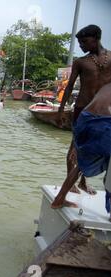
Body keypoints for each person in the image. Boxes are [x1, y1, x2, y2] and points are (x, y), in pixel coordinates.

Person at [55, 25, 111, 199]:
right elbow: (70, 86)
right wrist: (60, 110)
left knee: (96, 148)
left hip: (104, 111)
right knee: (75, 147)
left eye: (84, 42)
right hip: (82, 109)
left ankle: (83, 182)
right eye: (79, 43)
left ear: (96, 38)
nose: (81, 46)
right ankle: (71, 183)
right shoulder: (81, 62)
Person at [51, 82, 111, 222]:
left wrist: (75, 146)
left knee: (82, 163)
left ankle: (59, 198)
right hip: (105, 122)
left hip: (85, 118)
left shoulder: (106, 85)